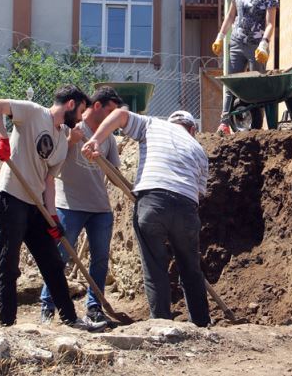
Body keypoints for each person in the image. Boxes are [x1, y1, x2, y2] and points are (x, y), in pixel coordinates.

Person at [0, 85, 106, 331]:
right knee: (9, 263)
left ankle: (70, 318)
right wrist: (2, 136)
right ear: (70, 104)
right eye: (81, 110)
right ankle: (8, 324)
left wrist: (52, 217)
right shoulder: (32, 112)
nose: (82, 118)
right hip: (10, 196)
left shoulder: (62, 139)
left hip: (36, 206)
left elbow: (48, 181)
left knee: (52, 262)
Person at [81, 109, 211, 328]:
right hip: (187, 208)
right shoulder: (198, 149)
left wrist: (95, 140)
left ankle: (161, 325)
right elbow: (197, 195)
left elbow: (120, 114)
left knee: (155, 266)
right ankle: (201, 324)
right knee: (190, 268)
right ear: (192, 129)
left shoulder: (153, 124)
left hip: (152, 202)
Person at [39, 86, 124, 326]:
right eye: (110, 111)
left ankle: (94, 308)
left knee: (100, 259)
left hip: (100, 208)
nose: (112, 117)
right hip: (69, 205)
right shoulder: (71, 127)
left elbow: (114, 174)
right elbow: (51, 158)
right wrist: (70, 140)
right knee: (60, 256)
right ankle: (48, 305)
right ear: (97, 106)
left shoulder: (108, 137)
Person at [212, 0, 279, 135]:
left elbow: (271, 23)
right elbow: (231, 15)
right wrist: (220, 36)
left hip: (257, 47)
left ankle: (256, 126)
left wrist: (264, 43)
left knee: (258, 86)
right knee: (231, 83)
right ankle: (225, 122)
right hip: (237, 42)